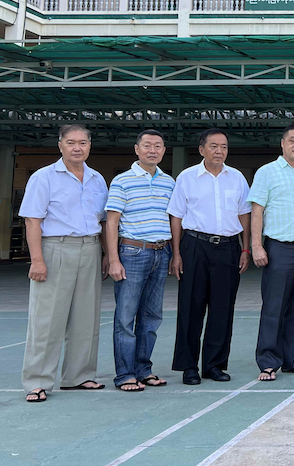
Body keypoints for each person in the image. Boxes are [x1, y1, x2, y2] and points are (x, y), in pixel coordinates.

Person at [19, 124, 108, 403]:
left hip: (90, 248)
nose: (77, 148)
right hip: (55, 248)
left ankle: (79, 376)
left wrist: (107, 254)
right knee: (47, 319)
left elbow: (103, 221)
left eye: (83, 142)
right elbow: (32, 220)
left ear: (90, 146)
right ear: (60, 145)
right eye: (71, 142)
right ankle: (37, 381)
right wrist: (37, 260)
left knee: (87, 318)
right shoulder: (43, 177)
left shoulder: (97, 179)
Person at [168, 128, 251, 385]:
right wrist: (176, 253)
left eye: (224, 146)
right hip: (195, 245)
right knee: (190, 307)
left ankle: (214, 365)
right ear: (201, 149)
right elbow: (176, 217)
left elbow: (244, 215)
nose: (219, 151)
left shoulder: (237, 178)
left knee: (222, 308)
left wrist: (245, 248)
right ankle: (189, 366)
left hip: (228, 247)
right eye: (213, 146)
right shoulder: (187, 177)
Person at [249, 123, 294, 382]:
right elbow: (257, 211)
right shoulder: (267, 172)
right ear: (282, 143)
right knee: (275, 306)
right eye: (293, 140)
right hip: (279, 248)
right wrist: (256, 245)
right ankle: (268, 361)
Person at [105, 129, 176, 392]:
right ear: (137, 149)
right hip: (132, 253)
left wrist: (174, 254)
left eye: (158, 146)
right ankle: (125, 374)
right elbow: (111, 222)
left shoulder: (169, 182)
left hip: (161, 251)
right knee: (126, 317)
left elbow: (173, 219)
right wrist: (114, 259)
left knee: (152, 316)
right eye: (147, 145)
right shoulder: (122, 181)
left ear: (164, 151)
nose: (152, 150)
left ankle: (143, 370)